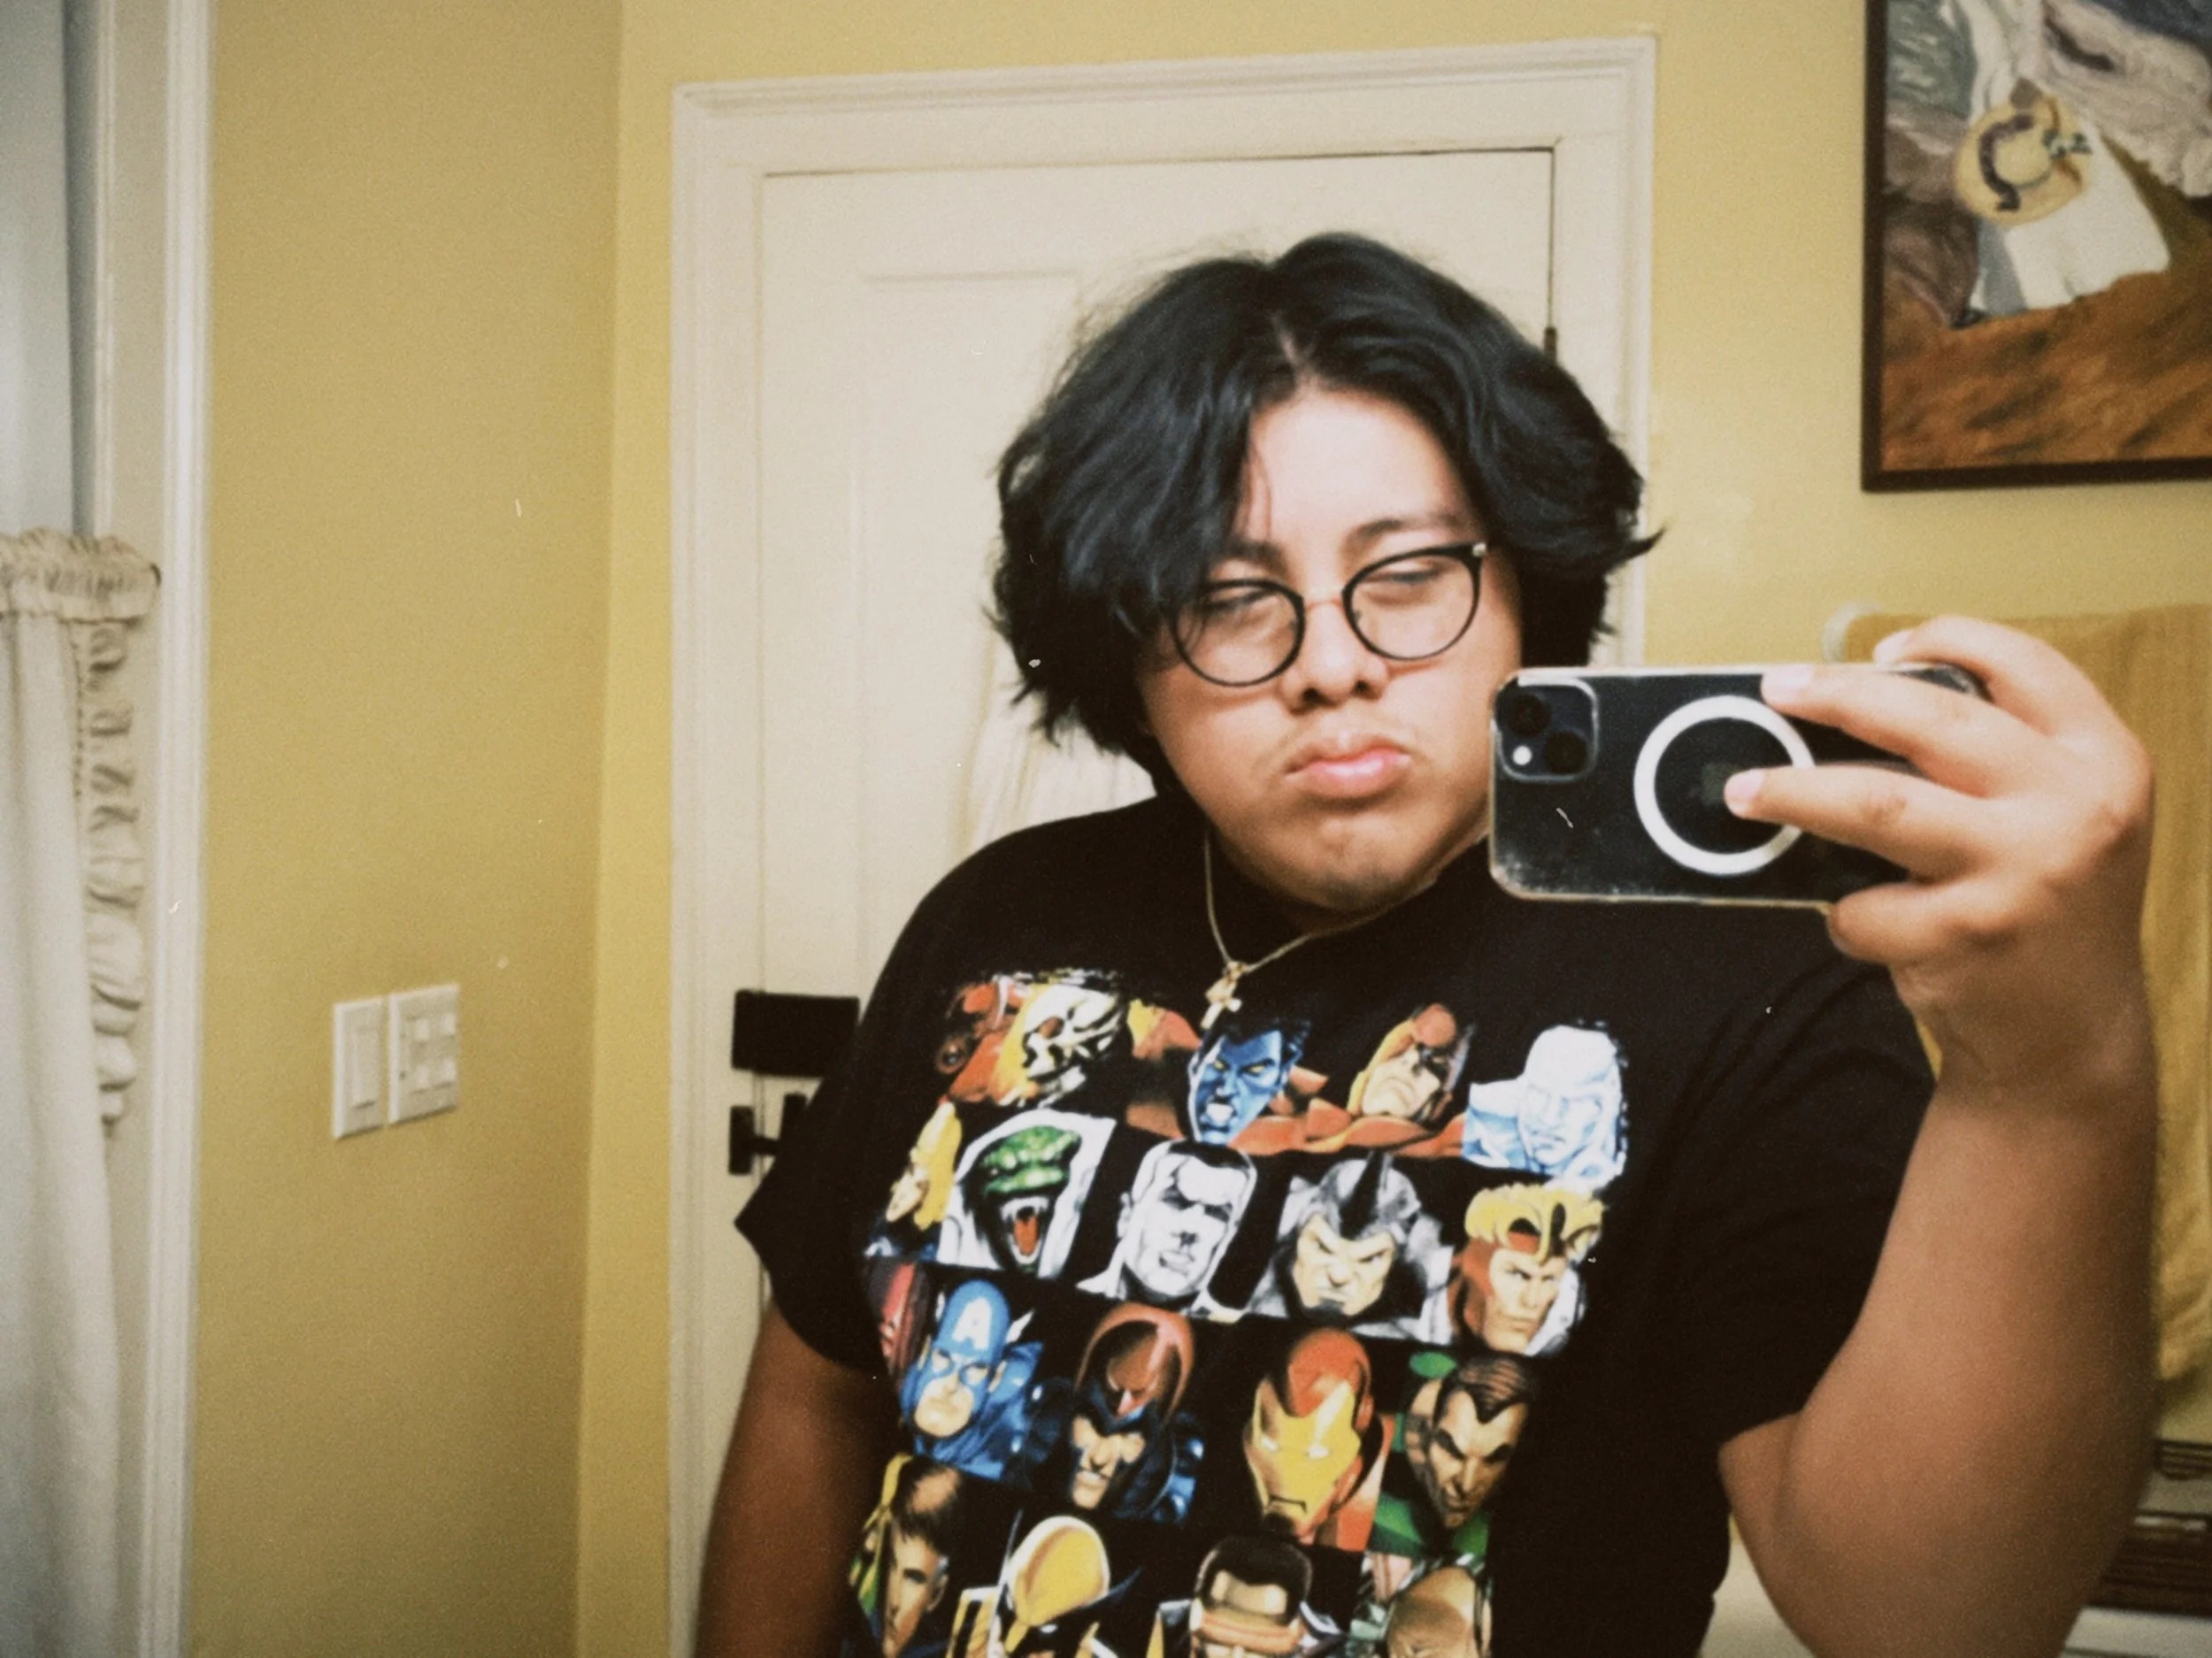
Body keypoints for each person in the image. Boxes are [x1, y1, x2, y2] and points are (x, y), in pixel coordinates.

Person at [699, 234, 2155, 1658]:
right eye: (1228, 597)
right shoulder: (998, 917)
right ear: (1130, 657)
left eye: (1405, 574)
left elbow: (1933, 1620)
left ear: (1523, 592)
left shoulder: (1749, 991)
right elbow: (819, 1382)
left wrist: (2053, 1075)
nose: (1332, 663)